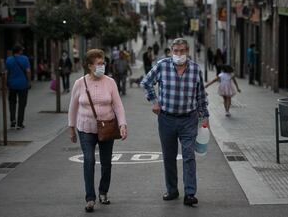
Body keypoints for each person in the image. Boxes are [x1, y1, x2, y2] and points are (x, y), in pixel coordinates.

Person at [141, 38, 209, 207]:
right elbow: (146, 82)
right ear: (171, 51)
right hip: (166, 119)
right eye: (176, 51)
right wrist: (154, 101)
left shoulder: (195, 69)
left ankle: (190, 193)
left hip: (189, 119)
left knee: (188, 156)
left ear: (187, 51)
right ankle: (172, 190)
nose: (179, 54)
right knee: (169, 157)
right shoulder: (162, 66)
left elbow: (201, 95)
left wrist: (205, 117)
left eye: (182, 51)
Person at [68, 49, 128, 212]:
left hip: (106, 127)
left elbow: (118, 105)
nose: (103, 66)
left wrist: (122, 124)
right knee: (89, 160)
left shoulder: (110, 82)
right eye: (99, 64)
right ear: (89, 66)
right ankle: (90, 198)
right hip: (85, 128)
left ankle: (103, 191)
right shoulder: (80, 83)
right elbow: (73, 106)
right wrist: (71, 128)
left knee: (106, 162)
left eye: (103, 63)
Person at [4, 45, 31, 130]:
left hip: (12, 84)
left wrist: (5, 84)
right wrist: (29, 81)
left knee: (12, 102)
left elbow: (6, 73)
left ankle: (12, 121)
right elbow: (28, 71)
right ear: (19, 51)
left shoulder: (9, 60)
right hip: (23, 84)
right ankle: (19, 123)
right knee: (22, 103)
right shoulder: (25, 59)